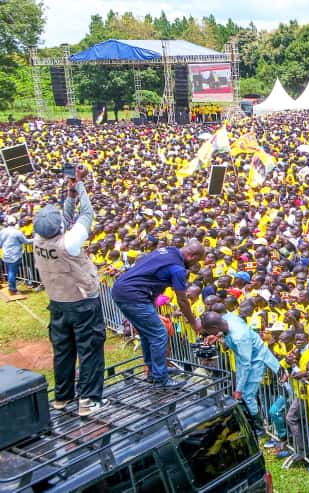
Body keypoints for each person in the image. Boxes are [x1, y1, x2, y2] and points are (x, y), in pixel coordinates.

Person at [32, 166, 107, 416]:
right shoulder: (70, 243)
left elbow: (62, 221)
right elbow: (87, 213)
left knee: (63, 351)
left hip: (57, 303)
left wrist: (70, 194)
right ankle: (89, 400)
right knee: (90, 349)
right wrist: (81, 185)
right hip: (83, 303)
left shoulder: (38, 240)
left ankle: (62, 398)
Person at [111, 242, 205, 388]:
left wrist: (152, 299)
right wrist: (194, 323)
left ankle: (154, 371)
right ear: (192, 256)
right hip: (134, 295)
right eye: (196, 261)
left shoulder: (168, 250)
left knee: (147, 333)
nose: (195, 265)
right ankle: (161, 378)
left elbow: (152, 274)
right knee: (159, 334)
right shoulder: (178, 269)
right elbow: (182, 300)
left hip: (123, 289)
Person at [200, 311, 283, 433]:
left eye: (208, 331)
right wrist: (217, 336)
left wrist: (238, 390)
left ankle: (259, 429)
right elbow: (226, 331)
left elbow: (246, 365)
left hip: (256, 361)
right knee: (244, 394)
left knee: (247, 396)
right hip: (245, 359)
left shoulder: (239, 337)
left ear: (214, 327)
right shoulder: (228, 317)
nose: (207, 333)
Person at [0, 215, 30, 294]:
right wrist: (36, 239)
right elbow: (26, 242)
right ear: (15, 222)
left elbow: (0, 244)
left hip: (6, 254)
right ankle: (12, 289)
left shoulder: (2, 231)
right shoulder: (17, 232)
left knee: (10, 272)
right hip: (14, 256)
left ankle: (11, 287)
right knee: (12, 272)